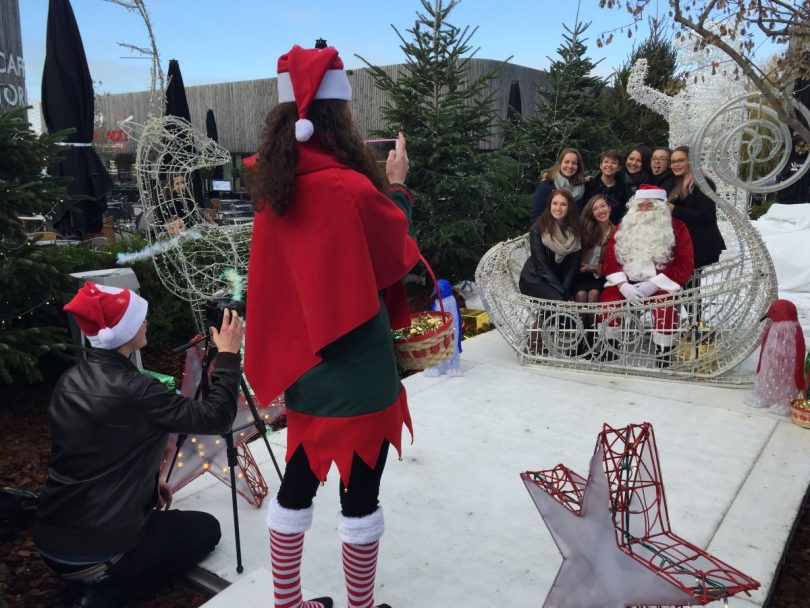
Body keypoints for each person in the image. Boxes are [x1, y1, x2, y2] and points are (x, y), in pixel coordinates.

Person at [243, 44, 419, 608]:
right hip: (359, 369)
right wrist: (397, 187)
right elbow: (395, 252)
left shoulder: (276, 192)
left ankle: (287, 603)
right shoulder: (349, 188)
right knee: (359, 497)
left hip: (304, 367)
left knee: (296, 486)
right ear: (338, 117)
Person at [34, 282, 244, 608]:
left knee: (166, 527)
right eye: (140, 319)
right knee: (207, 530)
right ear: (124, 332)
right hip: (102, 547)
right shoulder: (138, 390)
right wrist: (229, 355)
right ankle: (105, 592)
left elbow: (95, 450)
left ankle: (96, 579)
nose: (146, 323)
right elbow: (216, 417)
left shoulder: (70, 380)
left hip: (50, 536)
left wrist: (148, 484)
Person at [599, 185, 694, 365]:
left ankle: (664, 353)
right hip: (627, 282)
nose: (643, 210)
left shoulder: (678, 228)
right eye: (640, 205)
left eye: (649, 206)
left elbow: (685, 263)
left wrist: (655, 284)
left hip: (660, 284)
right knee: (609, 301)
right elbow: (610, 260)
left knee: (666, 305)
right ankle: (609, 348)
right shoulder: (624, 227)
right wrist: (622, 285)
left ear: (659, 207)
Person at [667, 145, 726, 269]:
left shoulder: (703, 183)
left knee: (691, 284)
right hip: (687, 242)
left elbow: (706, 215)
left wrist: (674, 209)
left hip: (700, 244)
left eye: (680, 160)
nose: (676, 164)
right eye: (673, 162)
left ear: (691, 161)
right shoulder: (680, 181)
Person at [519, 189, 582, 301]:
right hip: (535, 279)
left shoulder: (575, 229)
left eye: (563, 204)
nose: (558, 208)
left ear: (570, 207)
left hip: (559, 279)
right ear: (549, 205)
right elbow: (541, 267)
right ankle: (545, 317)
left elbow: (574, 265)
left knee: (576, 297)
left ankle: (543, 318)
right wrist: (563, 292)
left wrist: (566, 289)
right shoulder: (538, 229)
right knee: (560, 303)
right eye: (555, 203)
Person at [573, 195, 616, 304]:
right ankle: (580, 321)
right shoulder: (584, 230)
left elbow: (614, 263)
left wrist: (595, 268)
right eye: (595, 208)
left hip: (600, 275)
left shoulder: (616, 232)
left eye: (603, 206)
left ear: (609, 208)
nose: (601, 210)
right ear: (591, 213)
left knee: (594, 294)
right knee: (580, 295)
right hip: (580, 273)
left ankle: (594, 322)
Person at [529, 148, 587, 224]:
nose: (570, 166)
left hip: (573, 233)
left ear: (578, 166)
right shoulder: (547, 185)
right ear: (560, 163)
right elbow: (535, 217)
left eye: (574, 163)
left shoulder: (582, 187)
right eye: (566, 162)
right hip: (549, 232)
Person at [583, 149, 625, 224]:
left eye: (614, 163)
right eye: (606, 162)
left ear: (618, 168)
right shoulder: (589, 185)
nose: (609, 165)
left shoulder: (622, 189)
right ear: (600, 165)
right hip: (590, 229)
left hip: (613, 230)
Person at [618, 144, 652, 208]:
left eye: (639, 161)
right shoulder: (615, 176)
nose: (634, 163)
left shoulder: (650, 182)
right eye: (631, 159)